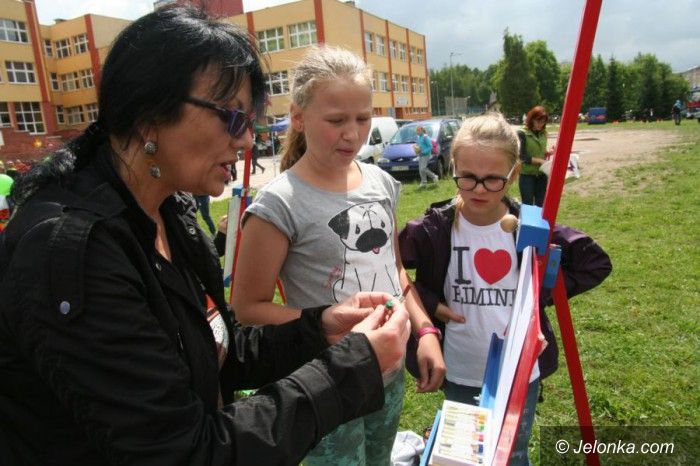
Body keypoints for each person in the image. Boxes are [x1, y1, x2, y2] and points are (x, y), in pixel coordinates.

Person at [0, 8, 411, 465]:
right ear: (149, 113)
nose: (246, 141)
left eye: (250, 121)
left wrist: (319, 330)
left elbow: (218, 350)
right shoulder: (73, 253)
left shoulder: (167, 214)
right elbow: (183, 450)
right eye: (233, 118)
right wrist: (350, 369)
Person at [232, 45, 445, 466]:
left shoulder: (382, 183)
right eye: (336, 120)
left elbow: (395, 270)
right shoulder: (280, 204)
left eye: (363, 119)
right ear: (298, 117)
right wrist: (325, 322)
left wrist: (424, 332)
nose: (352, 133)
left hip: (387, 373)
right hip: (326, 383)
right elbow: (247, 308)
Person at [399, 113, 612, 466]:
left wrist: (538, 295)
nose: (479, 189)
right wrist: (431, 303)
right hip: (461, 367)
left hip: (519, 371)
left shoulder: (530, 227)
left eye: (493, 179)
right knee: (467, 456)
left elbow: (596, 263)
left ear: (513, 175)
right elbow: (389, 269)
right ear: (453, 168)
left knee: (512, 453)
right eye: (468, 177)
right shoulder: (434, 228)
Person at [517, 106, 553, 207]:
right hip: (527, 176)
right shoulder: (521, 133)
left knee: (541, 206)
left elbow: (539, 151)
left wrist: (548, 152)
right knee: (527, 205)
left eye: (543, 122)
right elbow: (522, 157)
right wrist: (540, 161)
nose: (540, 124)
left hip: (541, 175)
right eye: (538, 121)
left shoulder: (543, 133)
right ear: (531, 119)